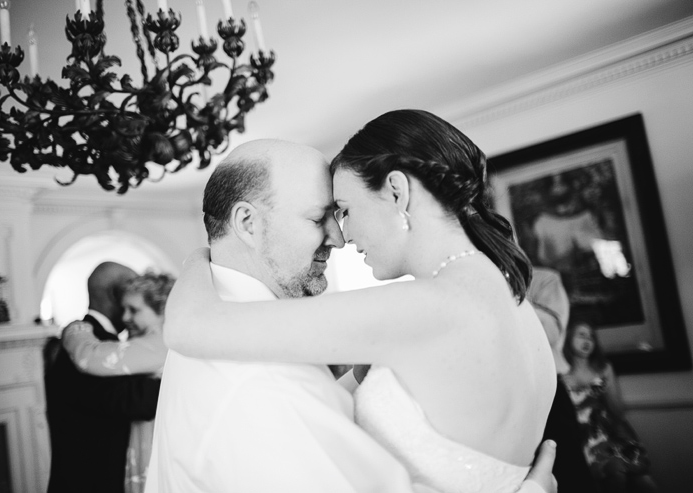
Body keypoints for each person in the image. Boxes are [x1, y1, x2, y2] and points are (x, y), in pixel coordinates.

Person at [162, 110, 557, 492]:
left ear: (397, 191)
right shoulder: (514, 300)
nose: (343, 237)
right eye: (326, 217)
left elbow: (187, 326)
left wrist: (198, 258)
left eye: (345, 211)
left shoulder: (419, 308)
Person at [44, 262, 162, 493]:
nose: (129, 316)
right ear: (116, 294)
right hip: (90, 482)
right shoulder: (88, 342)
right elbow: (134, 400)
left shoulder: (95, 339)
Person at [562, 319, 658, 493]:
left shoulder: (603, 368)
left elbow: (618, 411)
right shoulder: (560, 372)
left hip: (607, 434)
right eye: (581, 335)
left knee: (645, 482)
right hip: (577, 440)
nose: (588, 340)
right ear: (568, 338)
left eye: (591, 337)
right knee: (615, 477)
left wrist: (605, 387)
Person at [528, 267, 599, 493]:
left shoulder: (545, 280)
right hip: (506, 390)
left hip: (546, 384)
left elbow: (550, 333)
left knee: (568, 470)